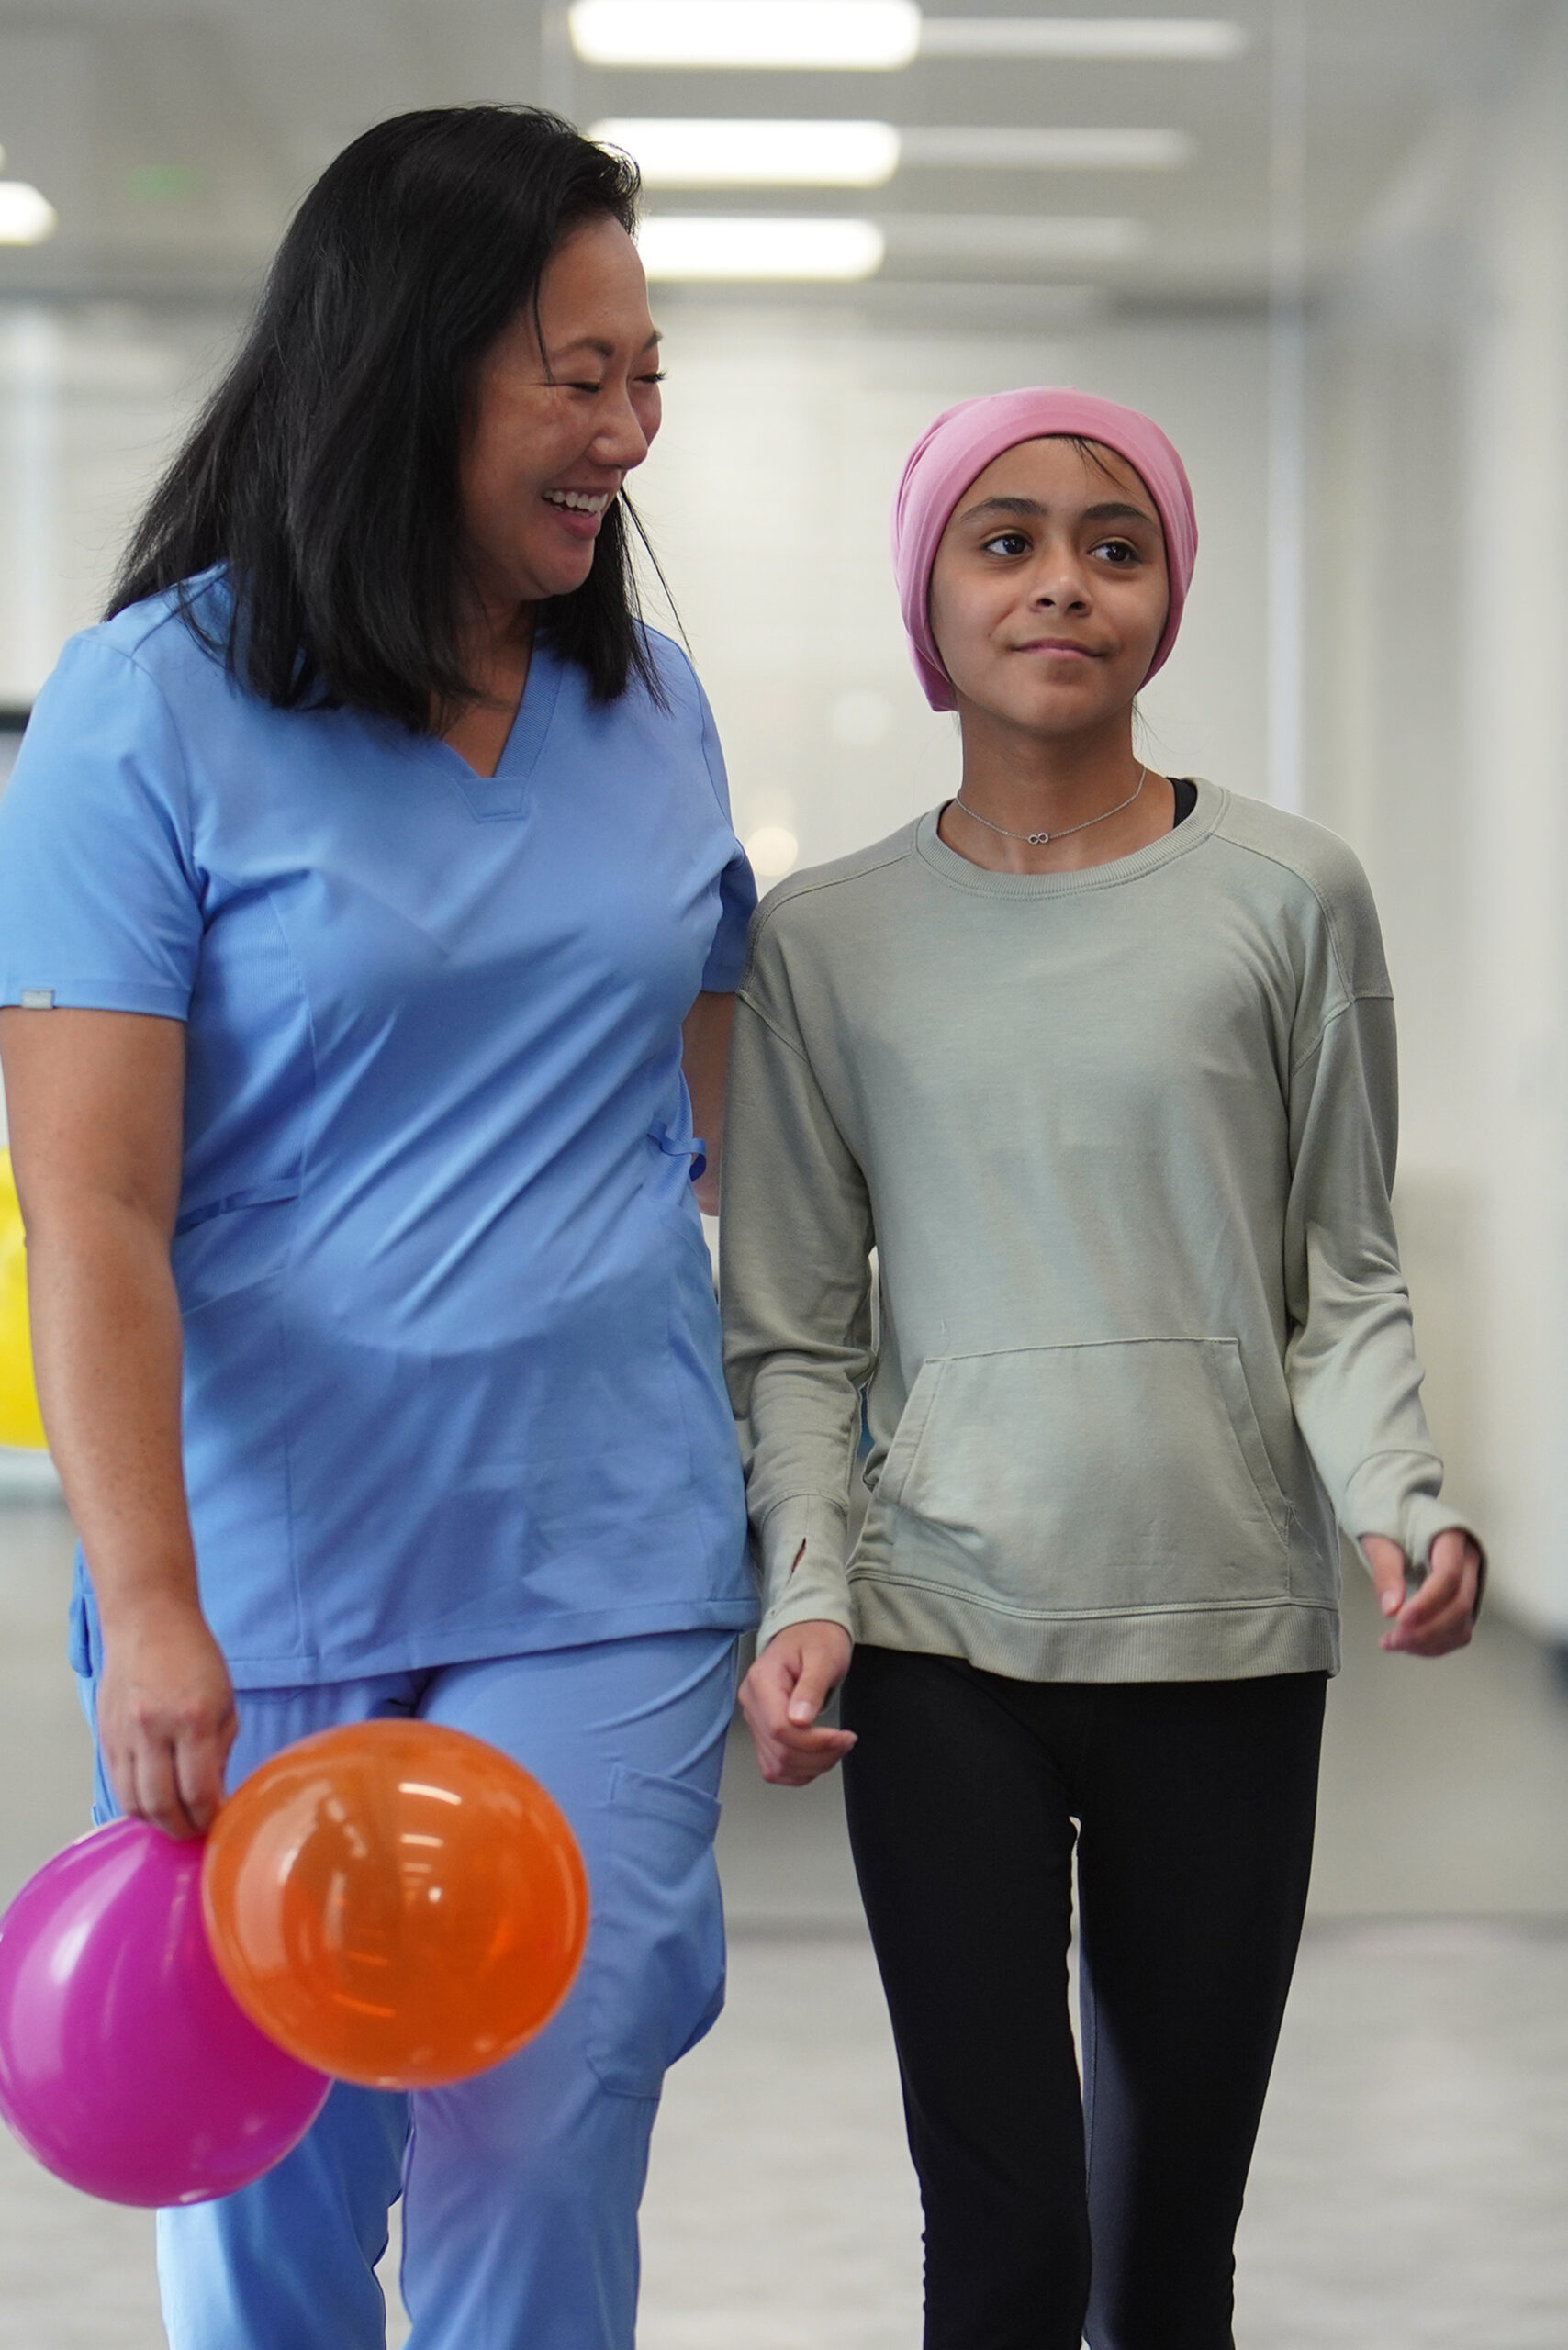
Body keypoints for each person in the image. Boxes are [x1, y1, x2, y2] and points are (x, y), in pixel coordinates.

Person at [0, 106, 756, 2350]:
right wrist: (148, 1600)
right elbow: (93, 1200)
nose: (627, 429)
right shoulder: (147, 711)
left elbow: (742, 1134)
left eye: (647, 372)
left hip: (601, 1551)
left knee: (542, 2099)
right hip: (268, 1566)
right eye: (576, 374)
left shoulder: (645, 704)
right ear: (409, 365)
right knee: (273, 2173)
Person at [722, 386, 1483, 2350]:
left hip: (1224, 1635)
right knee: (1000, 2245)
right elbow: (796, 1321)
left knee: (1164, 2264)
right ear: (930, 605)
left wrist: (1400, 1502)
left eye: (1111, 542)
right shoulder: (823, 940)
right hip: (934, 1642)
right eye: (1006, 539)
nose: (1063, 578)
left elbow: (1339, 1271)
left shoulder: (1286, 898)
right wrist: (807, 1585)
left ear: (1162, 598)